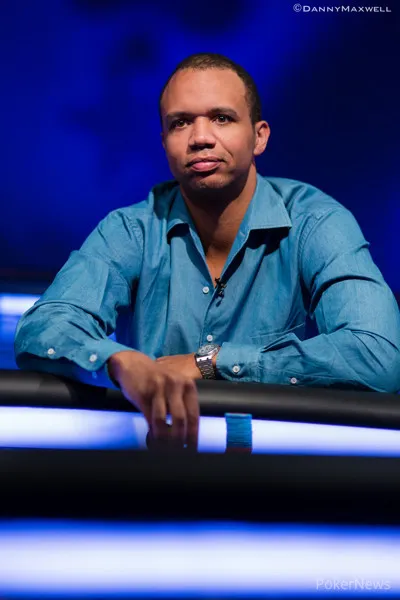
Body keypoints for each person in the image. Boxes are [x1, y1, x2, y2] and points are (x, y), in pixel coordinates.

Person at [15, 53, 400, 449]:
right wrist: (120, 362)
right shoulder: (131, 229)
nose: (200, 137)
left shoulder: (315, 222)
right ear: (164, 142)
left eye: (221, 118)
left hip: (276, 473)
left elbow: (378, 355)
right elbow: (44, 326)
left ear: (259, 136)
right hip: (153, 471)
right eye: (180, 123)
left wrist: (210, 363)